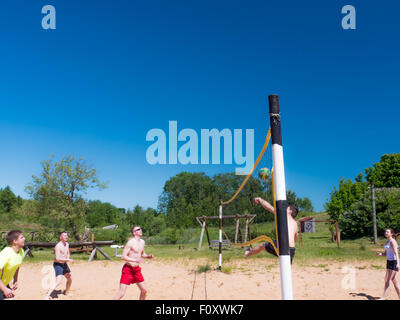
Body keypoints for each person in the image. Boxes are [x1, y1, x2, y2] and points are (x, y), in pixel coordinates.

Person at [244, 197, 298, 264]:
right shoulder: (295, 224)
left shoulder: (284, 215)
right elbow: (295, 238)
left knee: (262, 245)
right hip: (291, 249)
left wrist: (260, 199)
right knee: (287, 270)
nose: (284, 209)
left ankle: (247, 254)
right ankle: (248, 253)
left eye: (286, 208)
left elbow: (269, 207)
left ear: (290, 211)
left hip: (282, 245)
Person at [114, 225, 154, 300]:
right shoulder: (130, 243)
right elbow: (123, 257)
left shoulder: (142, 242)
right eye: (138, 229)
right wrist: (135, 260)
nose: (141, 230)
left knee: (144, 290)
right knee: (121, 293)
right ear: (134, 232)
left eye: (141, 229)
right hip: (128, 269)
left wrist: (148, 256)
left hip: (136, 270)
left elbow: (142, 254)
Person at [44, 231, 74, 300]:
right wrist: (68, 260)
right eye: (64, 235)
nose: (66, 236)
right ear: (60, 237)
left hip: (64, 264)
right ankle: (47, 295)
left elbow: (68, 252)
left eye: (66, 235)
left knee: (70, 278)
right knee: (59, 280)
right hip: (58, 264)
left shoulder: (67, 244)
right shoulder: (58, 246)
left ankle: (66, 292)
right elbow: (57, 258)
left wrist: (68, 257)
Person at [0, 230, 25, 300]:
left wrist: (15, 280)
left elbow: (17, 266)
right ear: (15, 241)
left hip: (3, 284)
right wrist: (4, 289)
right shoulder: (6, 253)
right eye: (21, 237)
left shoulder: (21, 251)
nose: (24, 239)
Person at [376, 228, 400, 300]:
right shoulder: (387, 241)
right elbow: (386, 253)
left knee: (387, 279)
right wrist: (380, 254)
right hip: (389, 262)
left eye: (387, 232)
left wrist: (398, 263)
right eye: (385, 232)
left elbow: (396, 253)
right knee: (394, 281)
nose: (386, 233)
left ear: (391, 234)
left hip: (394, 262)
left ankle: (383, 297)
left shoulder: (392, 241)